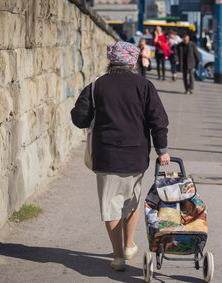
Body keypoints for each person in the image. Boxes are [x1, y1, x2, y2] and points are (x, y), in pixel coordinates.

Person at [70, 41, 170, 271]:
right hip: (135, 155)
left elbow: (79, 119)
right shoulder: (144, 85)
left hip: (105, 155)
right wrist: (162, 150)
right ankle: (128, 245)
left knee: (110, 205)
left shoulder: (97, 86)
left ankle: (118, 257)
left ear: (111, 61)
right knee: (131, 200)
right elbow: (159, 120)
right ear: (133, 61)